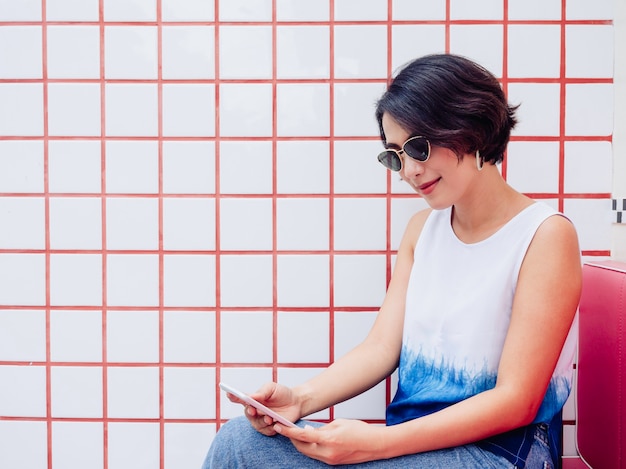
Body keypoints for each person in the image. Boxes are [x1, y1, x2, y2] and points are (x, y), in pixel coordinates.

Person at [201, 53, 582, 468]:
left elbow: (517, 401)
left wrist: (376, 445)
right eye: (395, 155)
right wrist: (299, 399)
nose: (410, 171)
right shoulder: (422, 230)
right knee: (239, 440)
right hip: (409, 442)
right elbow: (382, 347)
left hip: (501, 451)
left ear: (472, 128)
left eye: (419, 146)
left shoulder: (545, 235)